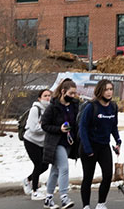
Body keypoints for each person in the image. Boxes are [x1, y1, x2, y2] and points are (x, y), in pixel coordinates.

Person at [78, 80, 122, 209]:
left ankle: (101, 203)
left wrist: (118, 141)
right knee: (88, 177)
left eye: (110, 89)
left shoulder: (113, 107)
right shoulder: (91, 106)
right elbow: (83, 128)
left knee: (108, 175)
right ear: (100, 91)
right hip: (89, 146)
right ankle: (86, 205)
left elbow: (113, 126)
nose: (109, 92)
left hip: (104, 146)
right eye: (106, 89)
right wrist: (87, 148)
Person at [41, 79, 82, 209]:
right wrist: (59, 129)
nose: (73, 96)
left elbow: (76, 122)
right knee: (64, 168)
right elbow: (45, 125)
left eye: (75, 93)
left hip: (68, 142)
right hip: (55, 142)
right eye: (71, 93)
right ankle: (64, 197)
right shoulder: (53, 107)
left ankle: (48, 198)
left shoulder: (74, 105)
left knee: (55, 171)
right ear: (63, 92)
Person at [21, 88, 56, 201]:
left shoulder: (51, 110)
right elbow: (33, 128)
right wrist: (47, 127)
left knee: (45, 165)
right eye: (45, 96)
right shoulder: (35, 109)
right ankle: (35, 192)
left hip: (42, 143)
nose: (47, 98)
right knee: (38, 164)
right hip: (31, 141)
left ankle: (28, 180)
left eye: (49, 96)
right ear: (39, 98)